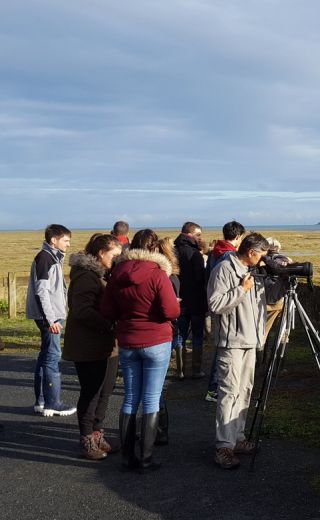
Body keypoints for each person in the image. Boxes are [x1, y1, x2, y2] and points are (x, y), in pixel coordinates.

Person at [100, 229, 180, 472]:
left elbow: (107, 311)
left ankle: (127, 458)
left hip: (127, 340)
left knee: (130, 398)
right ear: (153, 249)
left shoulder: (116, 274)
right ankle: (146, 459)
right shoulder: (157, 275)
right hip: (156, 339)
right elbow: (171, 312)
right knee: (151, 398)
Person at [207, 232, 269, 469]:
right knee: (229, 393)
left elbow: (267, 300)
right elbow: (215, 304)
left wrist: (282, 279)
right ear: (251, 252)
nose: (263, 260)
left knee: (244, 391)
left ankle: (238, 438)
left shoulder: (255, 272)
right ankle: (224, 445)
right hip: (231, 343)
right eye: (261, 256)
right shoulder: (224, 269)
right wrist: (241, 290)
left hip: (250, 341)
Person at [63, 234, 122, 460]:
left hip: (106, 345)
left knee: (105, 392)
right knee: (91, 393)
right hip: (89, 346)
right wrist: (109, 324)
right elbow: (82, 311)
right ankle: (87, 438)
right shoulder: (86, 277)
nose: (116, 260)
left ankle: (98, 434)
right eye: (114, 255)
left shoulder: (102, 276)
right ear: (101, 253)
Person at [26, 224, 76, 417]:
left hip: (49, 315)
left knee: (46, 354)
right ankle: (52, 402)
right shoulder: (45, 258)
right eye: (66, 240)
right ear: (54, 240)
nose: (68, 244)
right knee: (53, 356)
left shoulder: (51, 257)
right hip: (49, 317)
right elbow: (42, 291)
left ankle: (41, 401)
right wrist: (51, 319)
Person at [205, 220, 246, 402]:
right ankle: (214, 388)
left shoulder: (215, 251)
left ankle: (213, 387)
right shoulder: (229, 255)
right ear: (238, 237)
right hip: (228, 304)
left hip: (213, 298)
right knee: (224, 347)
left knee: (219, 345)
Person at [174, 222, 207, 378]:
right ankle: (196, 369)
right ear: (190, 234)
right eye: (198, 234)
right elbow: (200, 277)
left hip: (178, 299)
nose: (200, 237)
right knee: (197, 335)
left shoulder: (172, 251)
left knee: (180, 335)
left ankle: (180, 371)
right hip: (196, 300)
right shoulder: (195, 254)